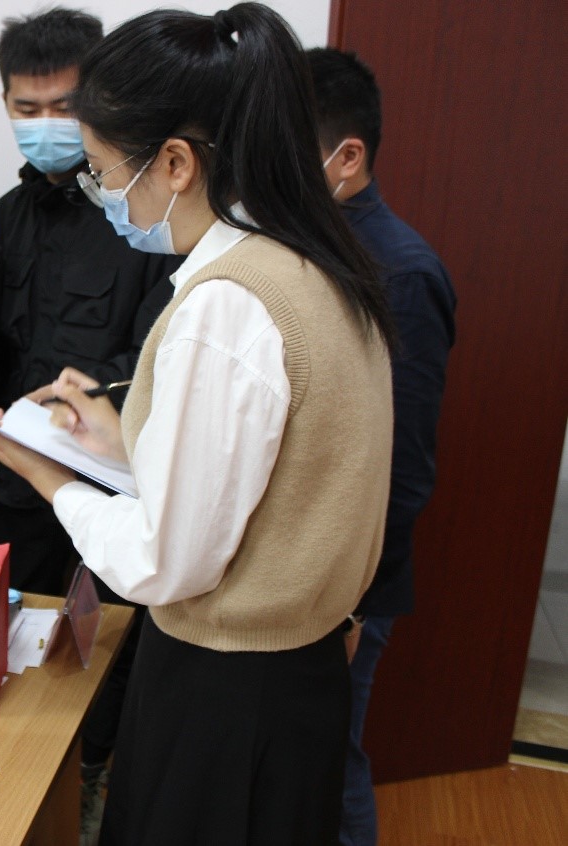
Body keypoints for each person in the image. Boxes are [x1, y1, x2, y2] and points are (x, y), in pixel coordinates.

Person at [0, 4, 396, 843]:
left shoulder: (225, 305)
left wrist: (47, 474)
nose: (99, 194)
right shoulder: (311, 260)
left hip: (226, 693)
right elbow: (267, 481)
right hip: (294, 677)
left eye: (101, 171)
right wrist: (121, 441)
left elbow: (164, 561)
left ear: (173, 162)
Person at [0, 10, 185, 844]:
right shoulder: (6, 214)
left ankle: (89, 777)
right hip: (20, 481)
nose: (44, 125)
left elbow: (153, 354)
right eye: (25, 109)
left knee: (106, 646)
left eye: (62, 107)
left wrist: (84, 412)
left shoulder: (142, 213)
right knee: (23, 643)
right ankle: (18, 787)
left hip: (110, 482)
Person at [308, 47, 457, 846]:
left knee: (332, 763)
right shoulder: (308, 249)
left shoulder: (399, 273)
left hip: (351, 586)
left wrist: (352, 604)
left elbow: (401, 469)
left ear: (347, 157)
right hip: (304, 568)